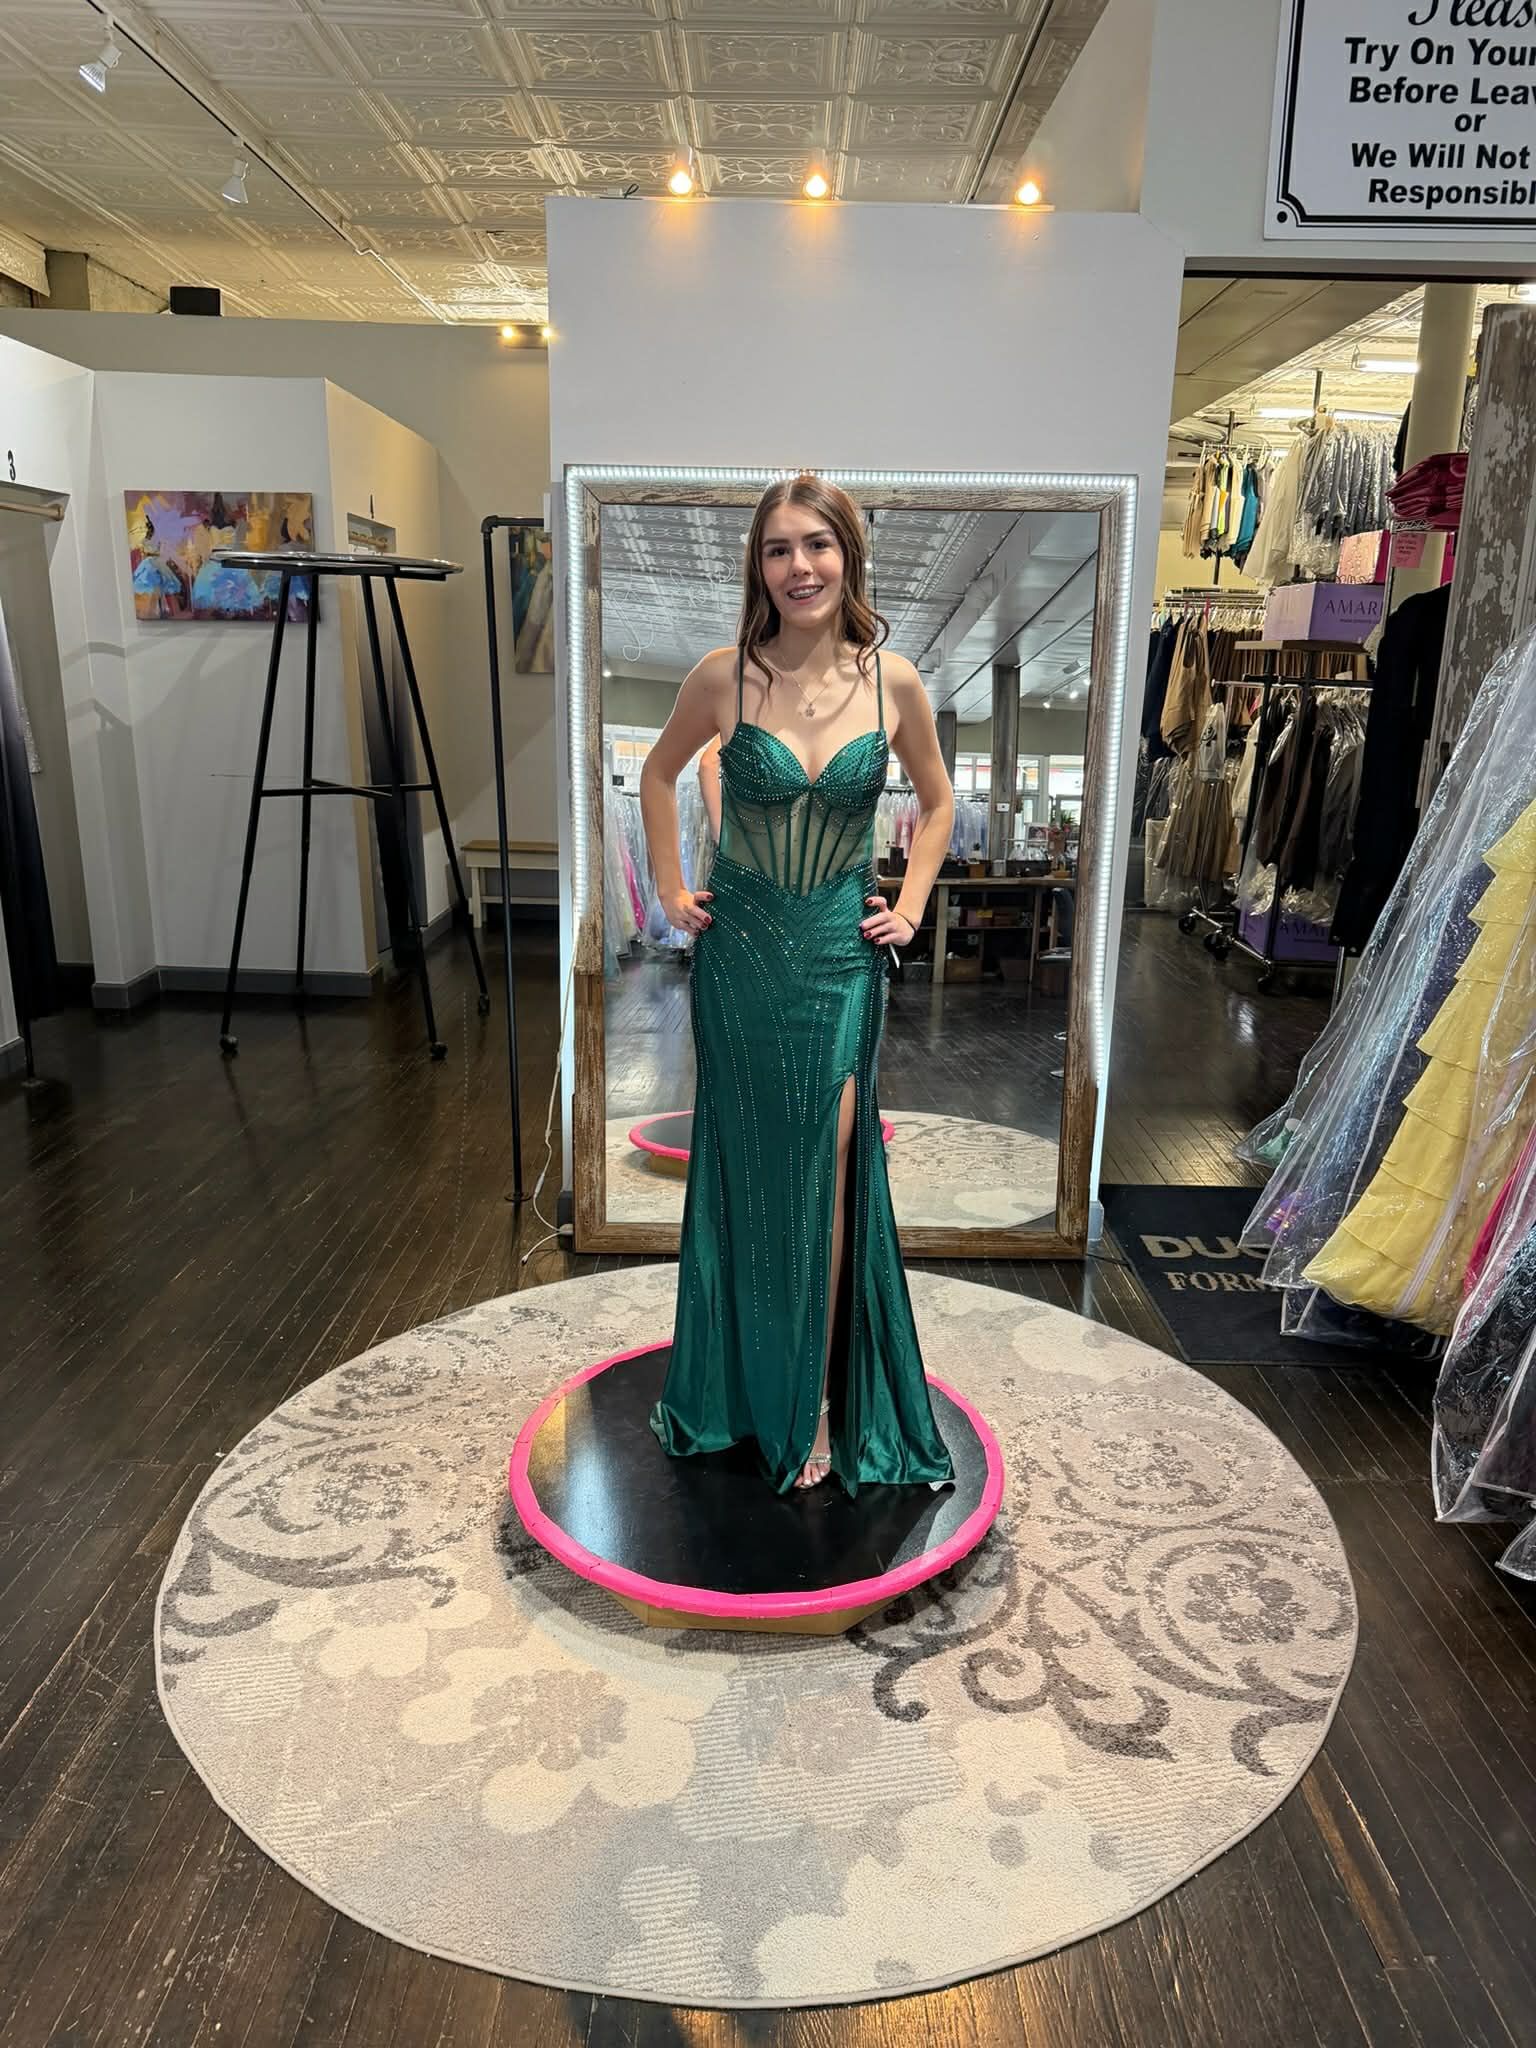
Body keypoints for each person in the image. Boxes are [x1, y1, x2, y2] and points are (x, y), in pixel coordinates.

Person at [638, 473, 957, 1495]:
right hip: (741, 961)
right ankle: (739, 1380)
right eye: (779, 549)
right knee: (745, 1165)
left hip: (836, 958)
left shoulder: (892, 680)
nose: (800, 566)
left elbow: (940, 804)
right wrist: (671, 885)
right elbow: (657, 772)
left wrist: (909, 905)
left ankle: (816, 1399)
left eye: (817, 544)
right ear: (758, 566)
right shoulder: (722, 676)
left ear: (848, 556)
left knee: (826, 1166)